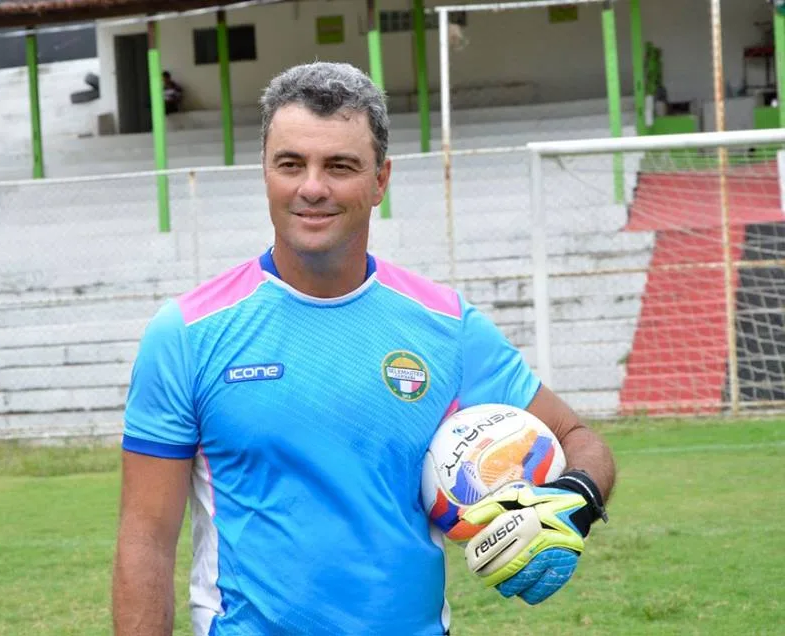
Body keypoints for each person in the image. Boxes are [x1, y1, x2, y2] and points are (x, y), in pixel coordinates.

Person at [112, 61, 616, 636]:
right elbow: (145, 540)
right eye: (291, 164)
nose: (312, 187)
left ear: (380, 180)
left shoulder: (447, 327)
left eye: (341, 166)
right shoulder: (185, 335)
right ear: (266, 175)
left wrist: (575, 501)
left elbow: (580, 440)